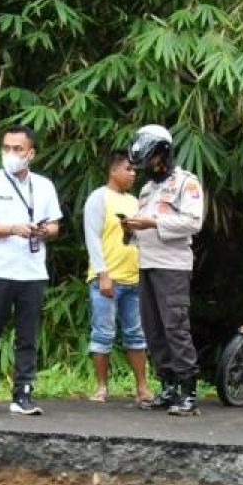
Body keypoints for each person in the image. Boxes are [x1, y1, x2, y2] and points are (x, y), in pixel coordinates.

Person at [0, 125, 62, 415]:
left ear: (31, 153)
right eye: (6, 148)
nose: (11, 154)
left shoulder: (44, 185)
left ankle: (23, 394)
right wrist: (13, 229)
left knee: (27, 335)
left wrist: (43, 231)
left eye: (18, 149)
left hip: (33, 272)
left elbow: (56, 225)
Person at [121, 124, 205, 416]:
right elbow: (142, 227)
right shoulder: (147, 189)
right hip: (147, 264)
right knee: (153, 329)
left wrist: (153, 223)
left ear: (163, 153)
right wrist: (130, 228)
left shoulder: (186, 183)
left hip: (172, 267)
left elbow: (193, 223)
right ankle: (168, 386)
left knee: (175, 327)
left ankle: (189, 393)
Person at [83, 150, 152, 406]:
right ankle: (101, 387)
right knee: (103, 333)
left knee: (136, 334)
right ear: (113, 171)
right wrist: (103, 274)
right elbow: (92, 237)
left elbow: (138, 239)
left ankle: (142, 388)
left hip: (133, 277)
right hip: (107, 277)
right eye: (128, 169)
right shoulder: (98, 198)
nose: (133, 174)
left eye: (135, 170)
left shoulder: (135, 202)